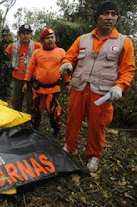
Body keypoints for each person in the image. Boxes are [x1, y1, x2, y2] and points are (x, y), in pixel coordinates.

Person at [60, 0, 135, 172]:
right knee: (72, 119)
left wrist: (120, 86)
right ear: (97, 17)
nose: (109, 18)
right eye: (105, 13)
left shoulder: (124, 42)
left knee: (97, 124)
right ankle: (70, 147)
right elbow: (69, 57)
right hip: (79, 87)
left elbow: (128, 69)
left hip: (103, 92)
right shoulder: (83, 39)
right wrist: (66, 64)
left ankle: (94, 155)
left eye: (113, 14)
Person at [22, 28, 70, 137]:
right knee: (36, 110)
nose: (50, 40)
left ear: (55, 38)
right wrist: (25, 82)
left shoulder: (61, 52)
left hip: (53, 88)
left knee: (53, 111)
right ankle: (34, 128)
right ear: (43, 40)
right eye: (47, 38)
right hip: (38, 88)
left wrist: (67, 83)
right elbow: (30, 68)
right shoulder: (37, 53)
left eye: (52, 37)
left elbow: (65, 69)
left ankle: (56, 130)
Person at [6, 24, 41, 114]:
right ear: (19, 35)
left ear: (31, 35)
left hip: (31, 78)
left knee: (30, 100)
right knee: (16, 100)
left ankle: (29, 119)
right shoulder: (13, 46)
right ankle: (17, 118)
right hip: (17, 77)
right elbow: (8, 54)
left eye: (28, 33)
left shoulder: (37, 46)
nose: (25, 36)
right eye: (23, 33)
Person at [0, 27, 13, 102]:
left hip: (10, 65)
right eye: (4, 36)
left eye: (7, 35)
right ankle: (1, 96)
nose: (6, 37)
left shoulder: (13, 44)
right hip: (1, 65)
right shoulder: (0, 44)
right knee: (1, 81)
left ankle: (6, 96)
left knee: (8, 80)